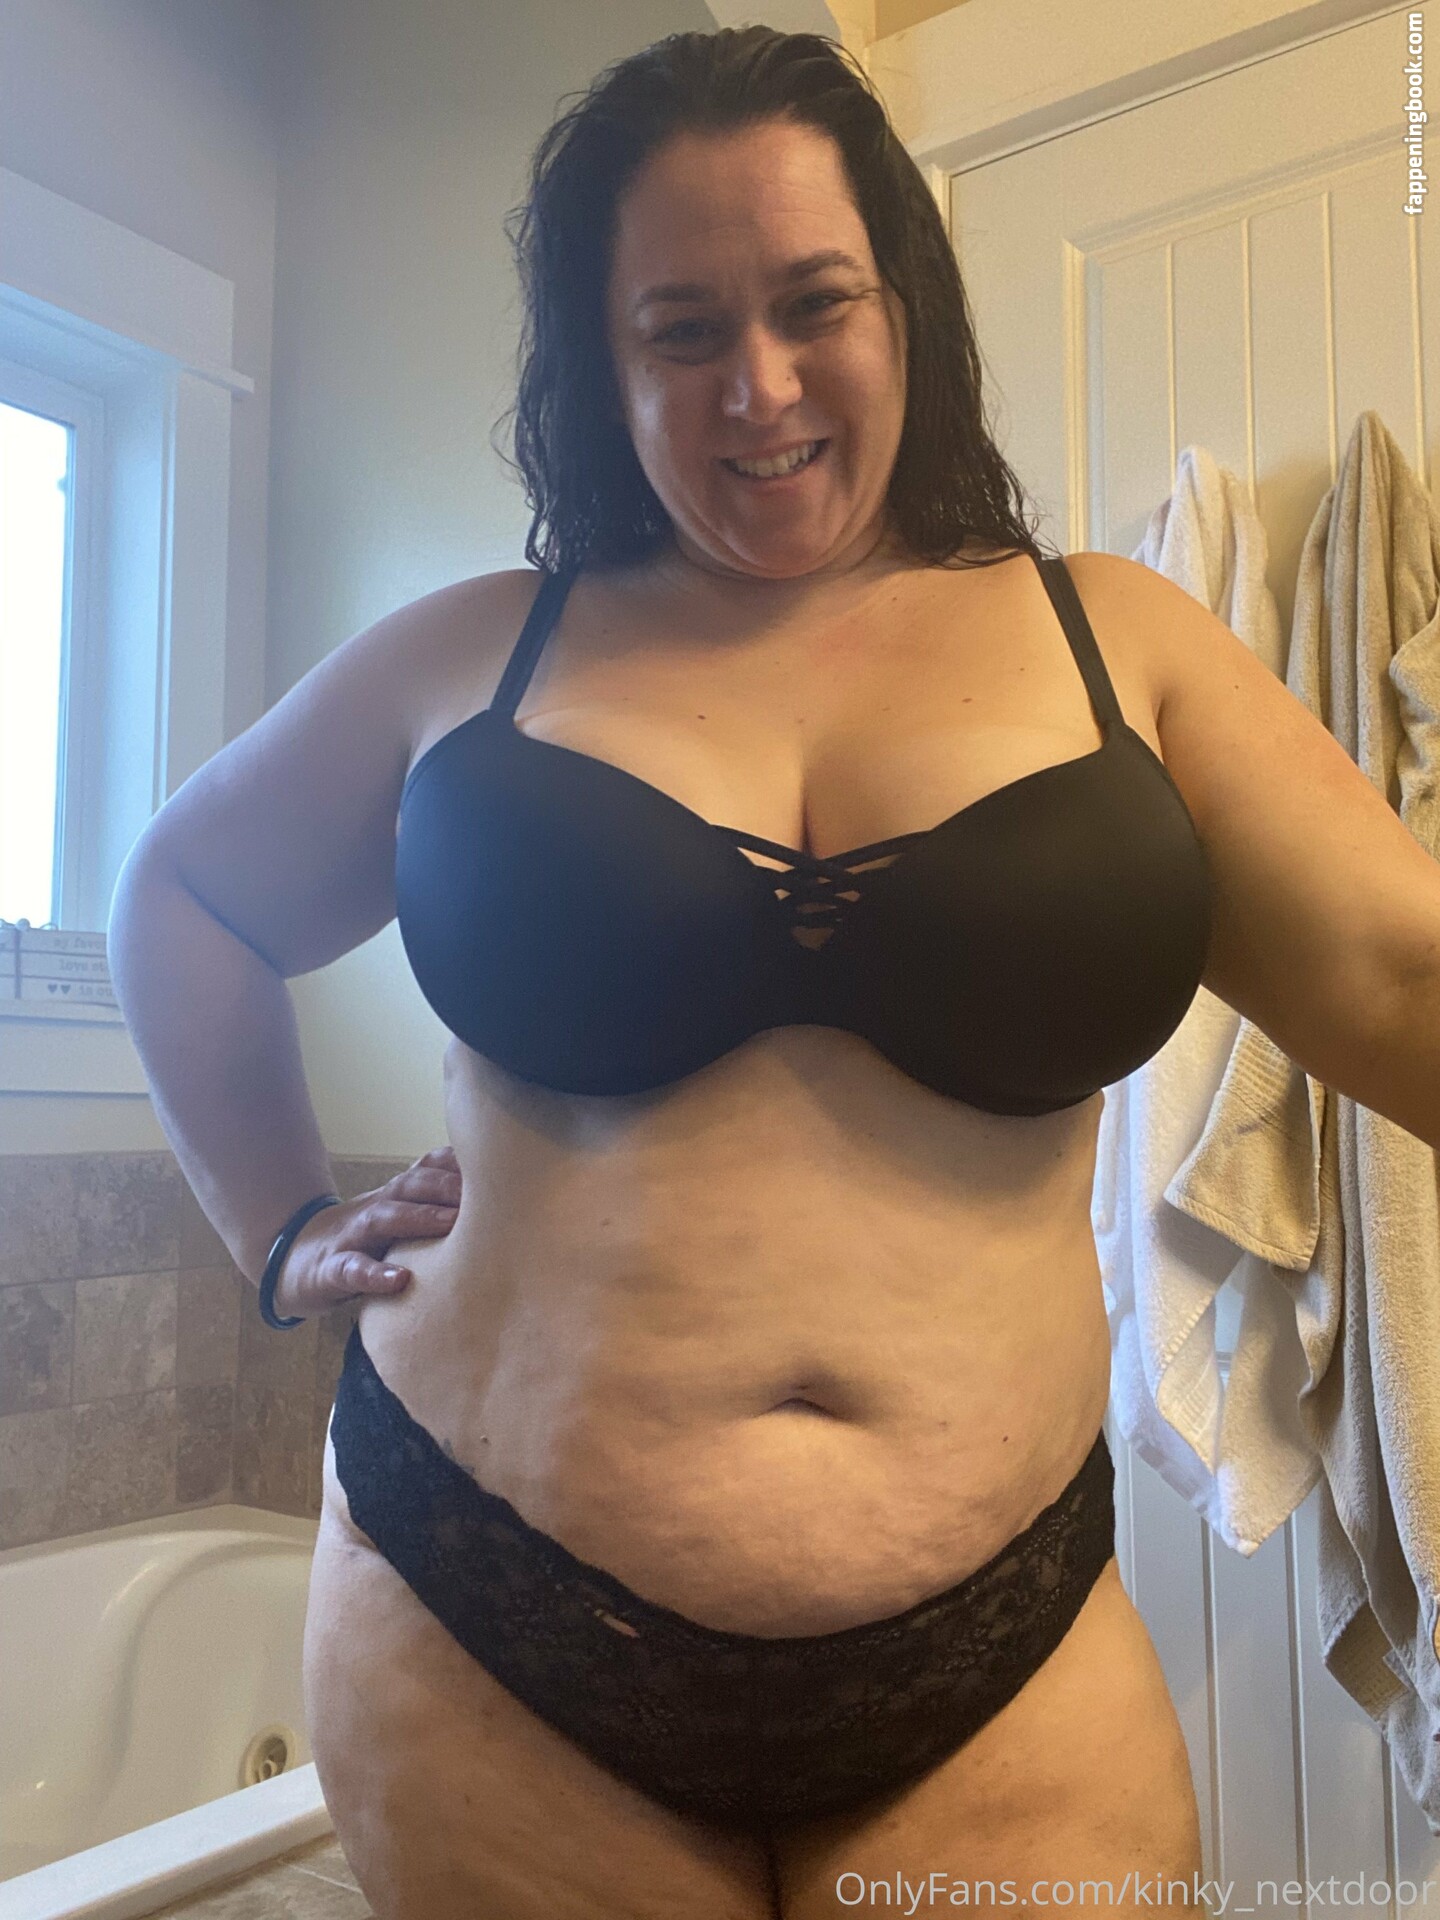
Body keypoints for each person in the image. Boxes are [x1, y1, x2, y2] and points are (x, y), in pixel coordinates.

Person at [107, 27, 1440, 1920]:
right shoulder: (475, 656)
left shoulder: (1116, 642)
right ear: (604, 364)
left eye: (817, 303)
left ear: (906, 309)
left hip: (1000, 1659)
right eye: (681, 331)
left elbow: (1399, 974)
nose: (760, 386)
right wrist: (282, 1224)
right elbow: (185, 896)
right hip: (486, 1620)